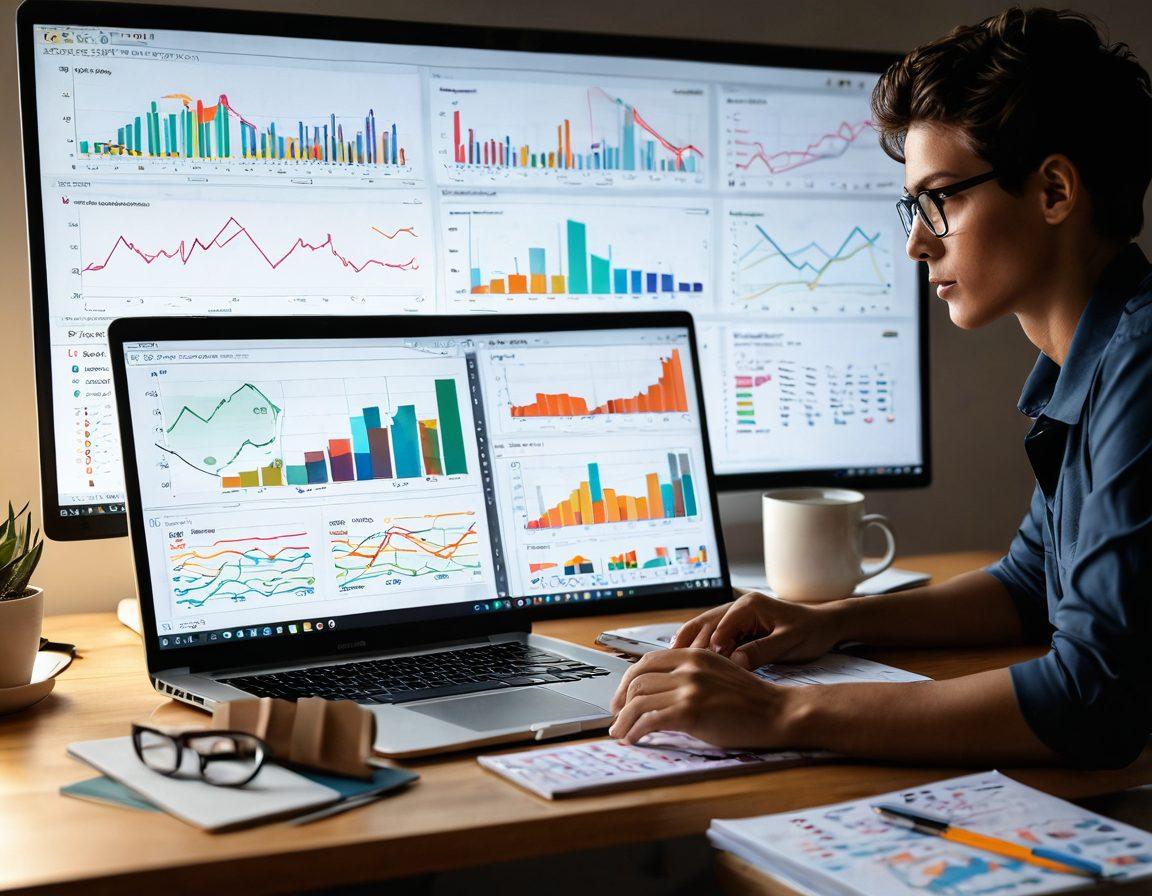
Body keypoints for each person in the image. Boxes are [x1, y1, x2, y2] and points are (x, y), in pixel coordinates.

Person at [610, 6, 1152, 769]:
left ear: (1055, 191)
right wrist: (829, 620)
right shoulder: (1089, 360)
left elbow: (1095, 697)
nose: (916, 241)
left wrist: (783, 709)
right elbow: (1031, 585)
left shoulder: (1141, 364)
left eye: (943, 199)